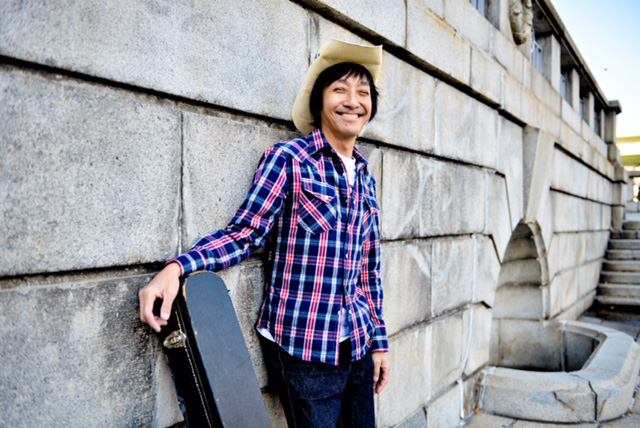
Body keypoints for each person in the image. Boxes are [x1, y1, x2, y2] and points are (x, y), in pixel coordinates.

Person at [139, 39, 390, 427]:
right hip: (305, 347)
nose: (352, 101)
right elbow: (245, 233)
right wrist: (177, 268)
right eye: (340, 89)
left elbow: (368, 270)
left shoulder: (365, 176)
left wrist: (379, 342)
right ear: (319, 102)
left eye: (363, 93)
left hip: (358, 344)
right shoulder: (289, 160)